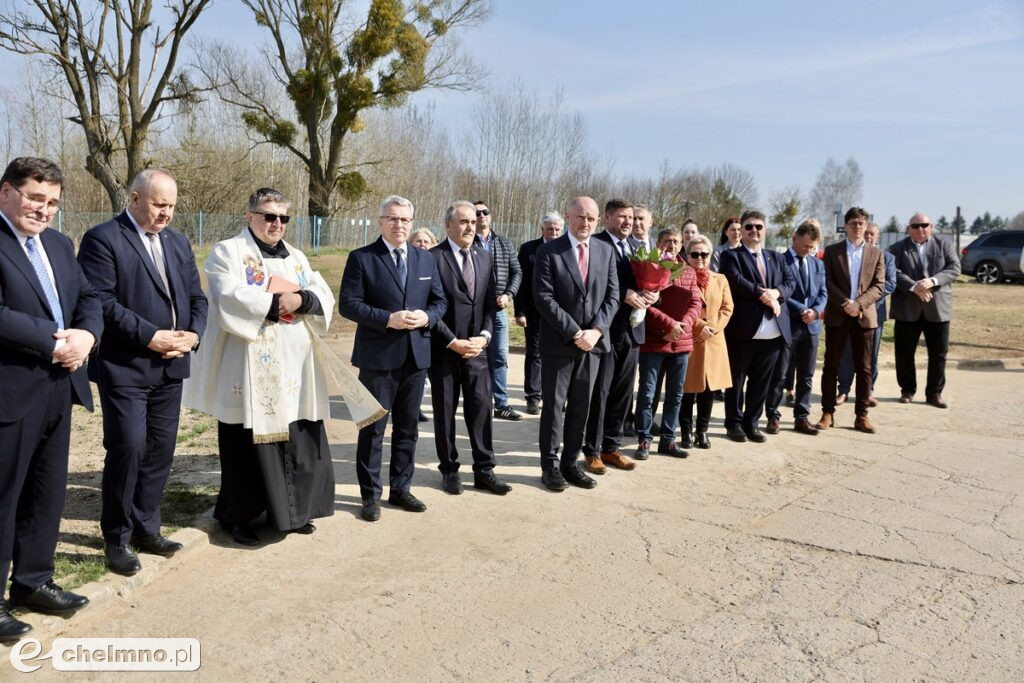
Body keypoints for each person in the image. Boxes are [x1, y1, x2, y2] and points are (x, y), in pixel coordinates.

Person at [182, 187, 336, 546]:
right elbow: (227, 295)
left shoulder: (296, 256)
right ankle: (240, 517)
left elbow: (322, 292)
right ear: (250, 216)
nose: (277, 223)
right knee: (244, 446)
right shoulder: (228, 251)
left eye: (283, 217)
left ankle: (293, 513)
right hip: (248, 367)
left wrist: (304, 299)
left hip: (294, 369)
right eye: (269, 216)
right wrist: (277, 302)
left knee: (296, 438)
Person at [78, 169, 208, 576]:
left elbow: (197, 297)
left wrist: (194, 335)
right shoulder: (103, 239)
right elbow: (101, 301)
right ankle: (116, 537)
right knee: (129, 447)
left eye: (171, 206)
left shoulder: (178, 242)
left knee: (160, 450)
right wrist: (151, 336)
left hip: (172, 365)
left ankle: (146, 527)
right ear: (134, 199)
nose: (166, 213)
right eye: (159, 204)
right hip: (126, 366)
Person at [0, 157, 102, 640]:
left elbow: (89, 298)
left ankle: (33, 581)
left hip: (60, 385)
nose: (44, 210)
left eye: (53, 202)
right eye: (35, 198)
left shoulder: (59, 244)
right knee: (4, 497)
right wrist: (53, 341)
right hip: (10, 390)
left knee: (47, 490)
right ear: (6, 192)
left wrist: (86, 336)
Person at [339, 195, 446, 521]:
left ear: (412, 223)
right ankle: (370, 496)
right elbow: (348, 304)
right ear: (381, 221)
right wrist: (388, 319)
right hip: (378, 358)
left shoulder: (425, 258)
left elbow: (439, 302)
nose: (399, 225)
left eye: (405, 220)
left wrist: (426, 317)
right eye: (393, 218)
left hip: (416, 356)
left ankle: (401, 489)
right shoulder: (362, 258)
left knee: (408, 428)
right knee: (373, 429)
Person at [533, 196, 619, 491]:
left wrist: (596, 331)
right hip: (559, 343)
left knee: (582, 406)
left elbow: (613, 297)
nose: (586, 223)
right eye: (580, 217)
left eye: (591, 218)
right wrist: (574, 332)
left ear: (598, 221)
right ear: (568, 216)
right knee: (554, 408)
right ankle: (550, 466)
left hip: (593, 345)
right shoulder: (549, 251)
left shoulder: (606, 251)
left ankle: (570, 463)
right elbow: (543, 297)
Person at [428, 201, 511, 496]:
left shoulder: (483, 256)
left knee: (481, 409)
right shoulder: (432, 258)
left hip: (477, 350)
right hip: (445, 349)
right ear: (448, 225)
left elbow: (490, 303)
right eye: (463, 222)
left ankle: (484, 469)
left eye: (473, 222)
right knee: (445, 412)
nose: (470, 227)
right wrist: (452, 342)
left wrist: (486, 336)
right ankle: (449, 469)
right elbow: (428, 307)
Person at [585, 199, 656, 474]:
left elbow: (649, 281)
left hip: (633, 331)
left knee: (623, 394)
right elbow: (591, 283)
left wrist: (654, 294)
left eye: (632, 217)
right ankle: (592, 451)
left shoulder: (637, 249)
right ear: (607, 218)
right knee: (600, 393)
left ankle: (611, 447)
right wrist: (623, 293)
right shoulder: (596, 244)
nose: (629, 222)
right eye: (622, 217)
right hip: (606, 331)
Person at [719, 210, 794, 443]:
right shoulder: (731, 256)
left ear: (765, 230)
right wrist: (764, 295)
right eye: (749, 227)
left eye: (758, 227)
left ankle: (751, 423)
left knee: (761, 381)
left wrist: (776, 293)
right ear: (741, 230)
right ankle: (734, 423)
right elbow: (735, 280)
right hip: (743, 330)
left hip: (773, 332)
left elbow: (790, 282)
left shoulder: (777, 257)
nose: (754, 231)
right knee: (737, 380)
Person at [814, 208, 885, 434]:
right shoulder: (832, 251)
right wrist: (846, 303)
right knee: (831, 366)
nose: (857, 227)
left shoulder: (876, 253)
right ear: (845, 225)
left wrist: (859, 304)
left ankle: (862, 416)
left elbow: (879, 285)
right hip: (838, 314)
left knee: (864, 369)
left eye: (861, 223)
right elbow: (827, 281)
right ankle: (827, 413)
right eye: (853, 223)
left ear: (866, 226)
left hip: (864, 317)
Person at [634, 228, 701, 458]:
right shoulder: (648, 267)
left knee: (675, 396)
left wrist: (682, 325)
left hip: (681, 343)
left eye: (675, 241)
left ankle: (668, 441)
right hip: (654, 342)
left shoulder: (688, 271)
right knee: (647, 395)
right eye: (666, 241)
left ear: (681, 244)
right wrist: (669, 325)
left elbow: (695, 303)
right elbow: (645, 305)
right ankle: (644, 440)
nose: (671, 245)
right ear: (658, 244)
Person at [889, 213, 961, 408]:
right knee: (904, 353)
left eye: (924, 225)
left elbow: (954, 268)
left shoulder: (944, 246)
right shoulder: (897, 248)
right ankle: (907, 390)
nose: (920, 229)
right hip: (907, 309)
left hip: (937, 309)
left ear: (931, 226)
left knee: (938, 354)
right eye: (915, 226)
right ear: (908, 228)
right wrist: (914, 287)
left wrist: (932, 281)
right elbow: (892, 271)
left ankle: (934, 393)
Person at [765, 220, 827, 435]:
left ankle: (802, 417)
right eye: (805, 246)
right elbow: (780, 291)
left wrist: (815, 312)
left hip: (812, 326)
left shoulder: (817, 264)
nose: (808, 250)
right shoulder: (780, 261)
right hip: (788, 325)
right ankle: (773, 415)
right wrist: (802, 309)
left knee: (806, 376)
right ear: (794, 238)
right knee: (780, 374)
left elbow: (823, 292)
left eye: (812, 247)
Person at [679, 235, 733, 449]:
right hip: (690, 339)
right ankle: (685, 431)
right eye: (695, 254)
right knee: (687, 390)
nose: (700, 258)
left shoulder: (720, 279)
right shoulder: (679, 277)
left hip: (713, 342)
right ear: (687, 255)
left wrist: (712, 328)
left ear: (711, 255)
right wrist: (700, 326)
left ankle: (702, 431)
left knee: (708, 391)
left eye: (704, 254)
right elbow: (679, 309)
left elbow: (727, 308)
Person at [836, 222, 896, 406]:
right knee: (846, 353)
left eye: (872, 234)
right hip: (848, 311)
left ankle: (867, 391)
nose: (868, 236)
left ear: (877, 237)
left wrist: (863, 301)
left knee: (870, 355)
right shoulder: (848, 255)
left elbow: (889, 284)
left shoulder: (886, 257)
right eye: (866, 233)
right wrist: (851, 302)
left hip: (873, 313)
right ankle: (843, 390)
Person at [473, 200, 523, 421]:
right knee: (476, 358)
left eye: (485, 212)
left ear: (490, 216)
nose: (482, 216)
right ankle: (479, 402)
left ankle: (501, 404)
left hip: (499, 309)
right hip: (475, 310)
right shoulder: (467, 242)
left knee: (500, 356)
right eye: (477, 213)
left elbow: (517, 272)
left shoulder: (504, 243)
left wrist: (509, 294)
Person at [514, 211, 564, 415]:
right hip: (534, 313)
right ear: (542, 229)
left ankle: (556, 396)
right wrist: (520, 311)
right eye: (550, 229)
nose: (554, 233)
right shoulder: (529, 249)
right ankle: (533, 396)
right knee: (535, 354)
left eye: (557, 229)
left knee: (559, 356)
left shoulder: (567, 248)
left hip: (560, 314)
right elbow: (521, 283)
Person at [410, 228, 438, 422]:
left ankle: (416, 405)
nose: (422, 245)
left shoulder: (434, 264)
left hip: (433, 322)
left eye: (426, 242)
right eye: (418, 241)